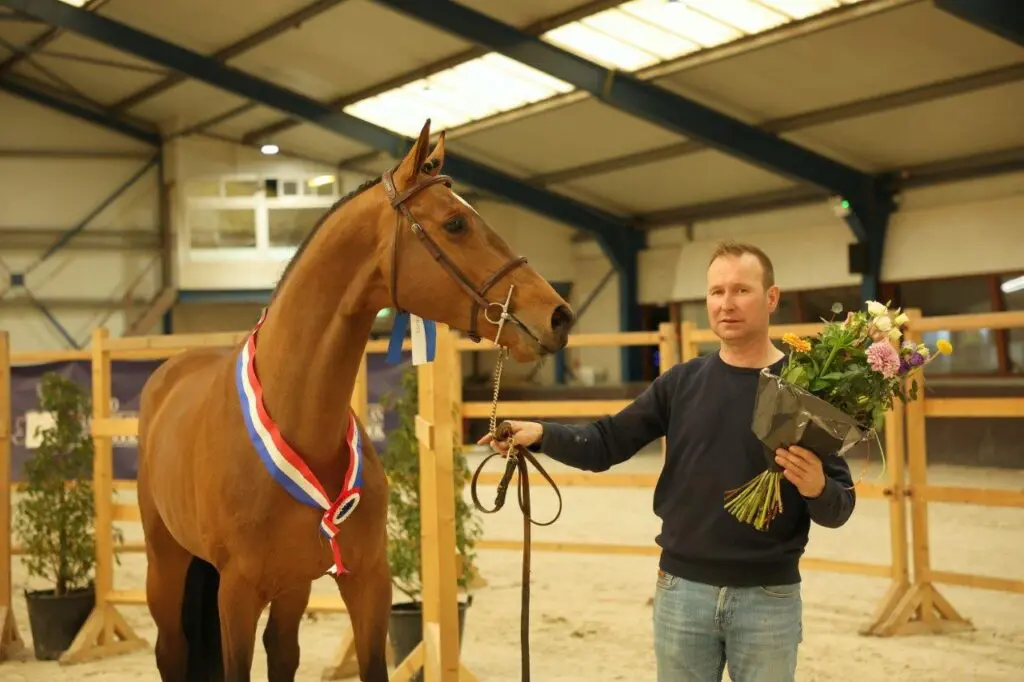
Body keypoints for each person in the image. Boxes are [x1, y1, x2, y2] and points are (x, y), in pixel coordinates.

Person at [478, 240, 856, 682]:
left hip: (769, 598)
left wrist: (816, 486)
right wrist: (543, 434)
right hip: (682, 593)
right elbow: (606, 443)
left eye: (741, 290)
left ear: (771, 298)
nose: (726, 303)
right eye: (716, 292)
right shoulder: (682, 383)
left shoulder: (807, 388)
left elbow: (839, 508)